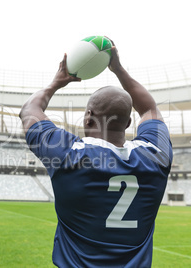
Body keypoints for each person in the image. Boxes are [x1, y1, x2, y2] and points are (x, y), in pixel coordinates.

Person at [19, 40, 173, 267]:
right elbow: (150, 109)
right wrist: (119, 70)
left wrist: (56, 83)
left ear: (88, 117)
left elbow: (29, 110)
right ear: (129, 122)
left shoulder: (68, 154)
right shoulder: (155, 155)